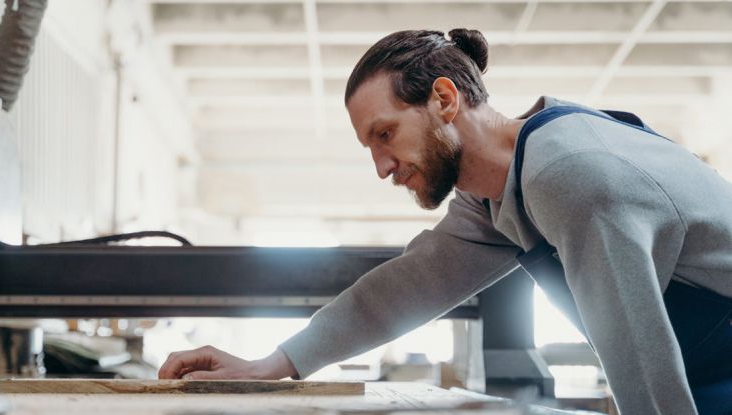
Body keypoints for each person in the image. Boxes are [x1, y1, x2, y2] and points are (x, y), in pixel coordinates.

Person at [159, 29, 732, 414]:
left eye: (385, 134)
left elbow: (639, 355)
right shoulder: (498, 193)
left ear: (444, 99)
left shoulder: (571, 174)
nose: (382, 167)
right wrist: (272, 365)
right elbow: (403, 289)